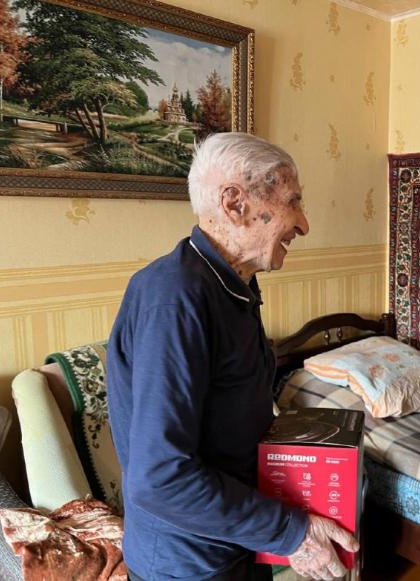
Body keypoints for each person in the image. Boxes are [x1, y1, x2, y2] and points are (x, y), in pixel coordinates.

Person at [107, 132, 358, 581]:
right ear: (234, 204)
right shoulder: (174, 297)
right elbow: (160, 478)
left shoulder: (231, 284)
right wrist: (292, 533)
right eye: (293, 201)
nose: (303, 224)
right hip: (190, 563)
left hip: (237, 540)